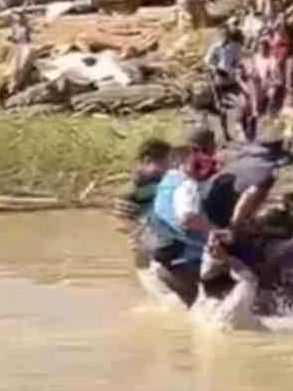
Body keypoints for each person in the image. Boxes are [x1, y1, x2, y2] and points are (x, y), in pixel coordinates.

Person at [148, 127, 225, 307]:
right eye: (194, 163)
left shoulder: (167, 181)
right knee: (213, 309)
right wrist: (212, 229)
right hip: (186, 262)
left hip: (163, 259)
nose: (199, 167)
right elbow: (187, 217)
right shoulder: (186, 185)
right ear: (182, 164)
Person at [112, 139, 174, 269]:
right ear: (147, 161)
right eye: (164, 163)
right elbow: (121, 224)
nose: (168, 167)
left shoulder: (165, 181)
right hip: (148, 250)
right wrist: (146, 230)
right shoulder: (131, 191)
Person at [189, 231, 266, 332]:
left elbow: (206, 274)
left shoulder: (199, 306)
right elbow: (250, 279)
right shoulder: (233, 309)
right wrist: (228, 258)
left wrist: (214, 249)